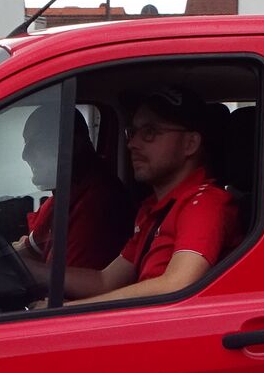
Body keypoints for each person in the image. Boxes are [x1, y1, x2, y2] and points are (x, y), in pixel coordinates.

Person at [50, 87, 239, 306]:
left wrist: (67, 310)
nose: (132, 144)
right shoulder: (154, 209)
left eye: (150, 132)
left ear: (190, 144)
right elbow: (105, 281)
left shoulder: (204, 204)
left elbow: (177, 285)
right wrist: (33, 271)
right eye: (133, 132)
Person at [11, 106, 132, 271]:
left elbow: (64, 284)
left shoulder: (98, 204)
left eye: (36, 143)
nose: (25, 155)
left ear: (71, 145)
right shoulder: (64, 194)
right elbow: (28, 249)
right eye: (26, 144)